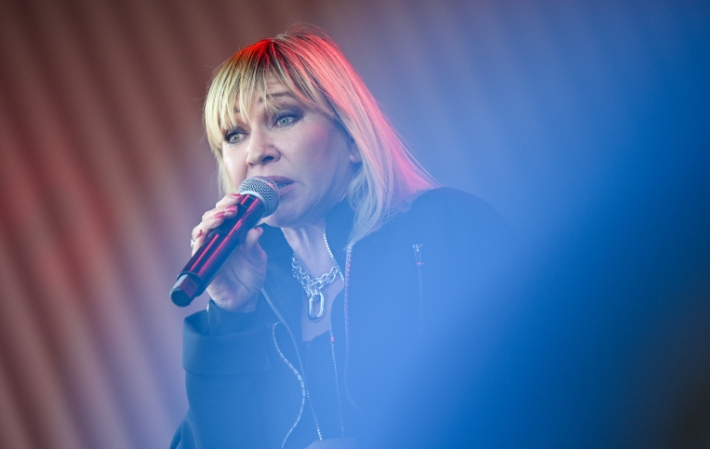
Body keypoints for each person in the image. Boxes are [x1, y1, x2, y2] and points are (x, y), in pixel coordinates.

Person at [170, 27, 512, 449]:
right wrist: (232, 316)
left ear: (351, 136)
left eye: (283, 117)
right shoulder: (253, 301)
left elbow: (544, 398)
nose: (256, 152)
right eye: (234, 136)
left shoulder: (446, 229)